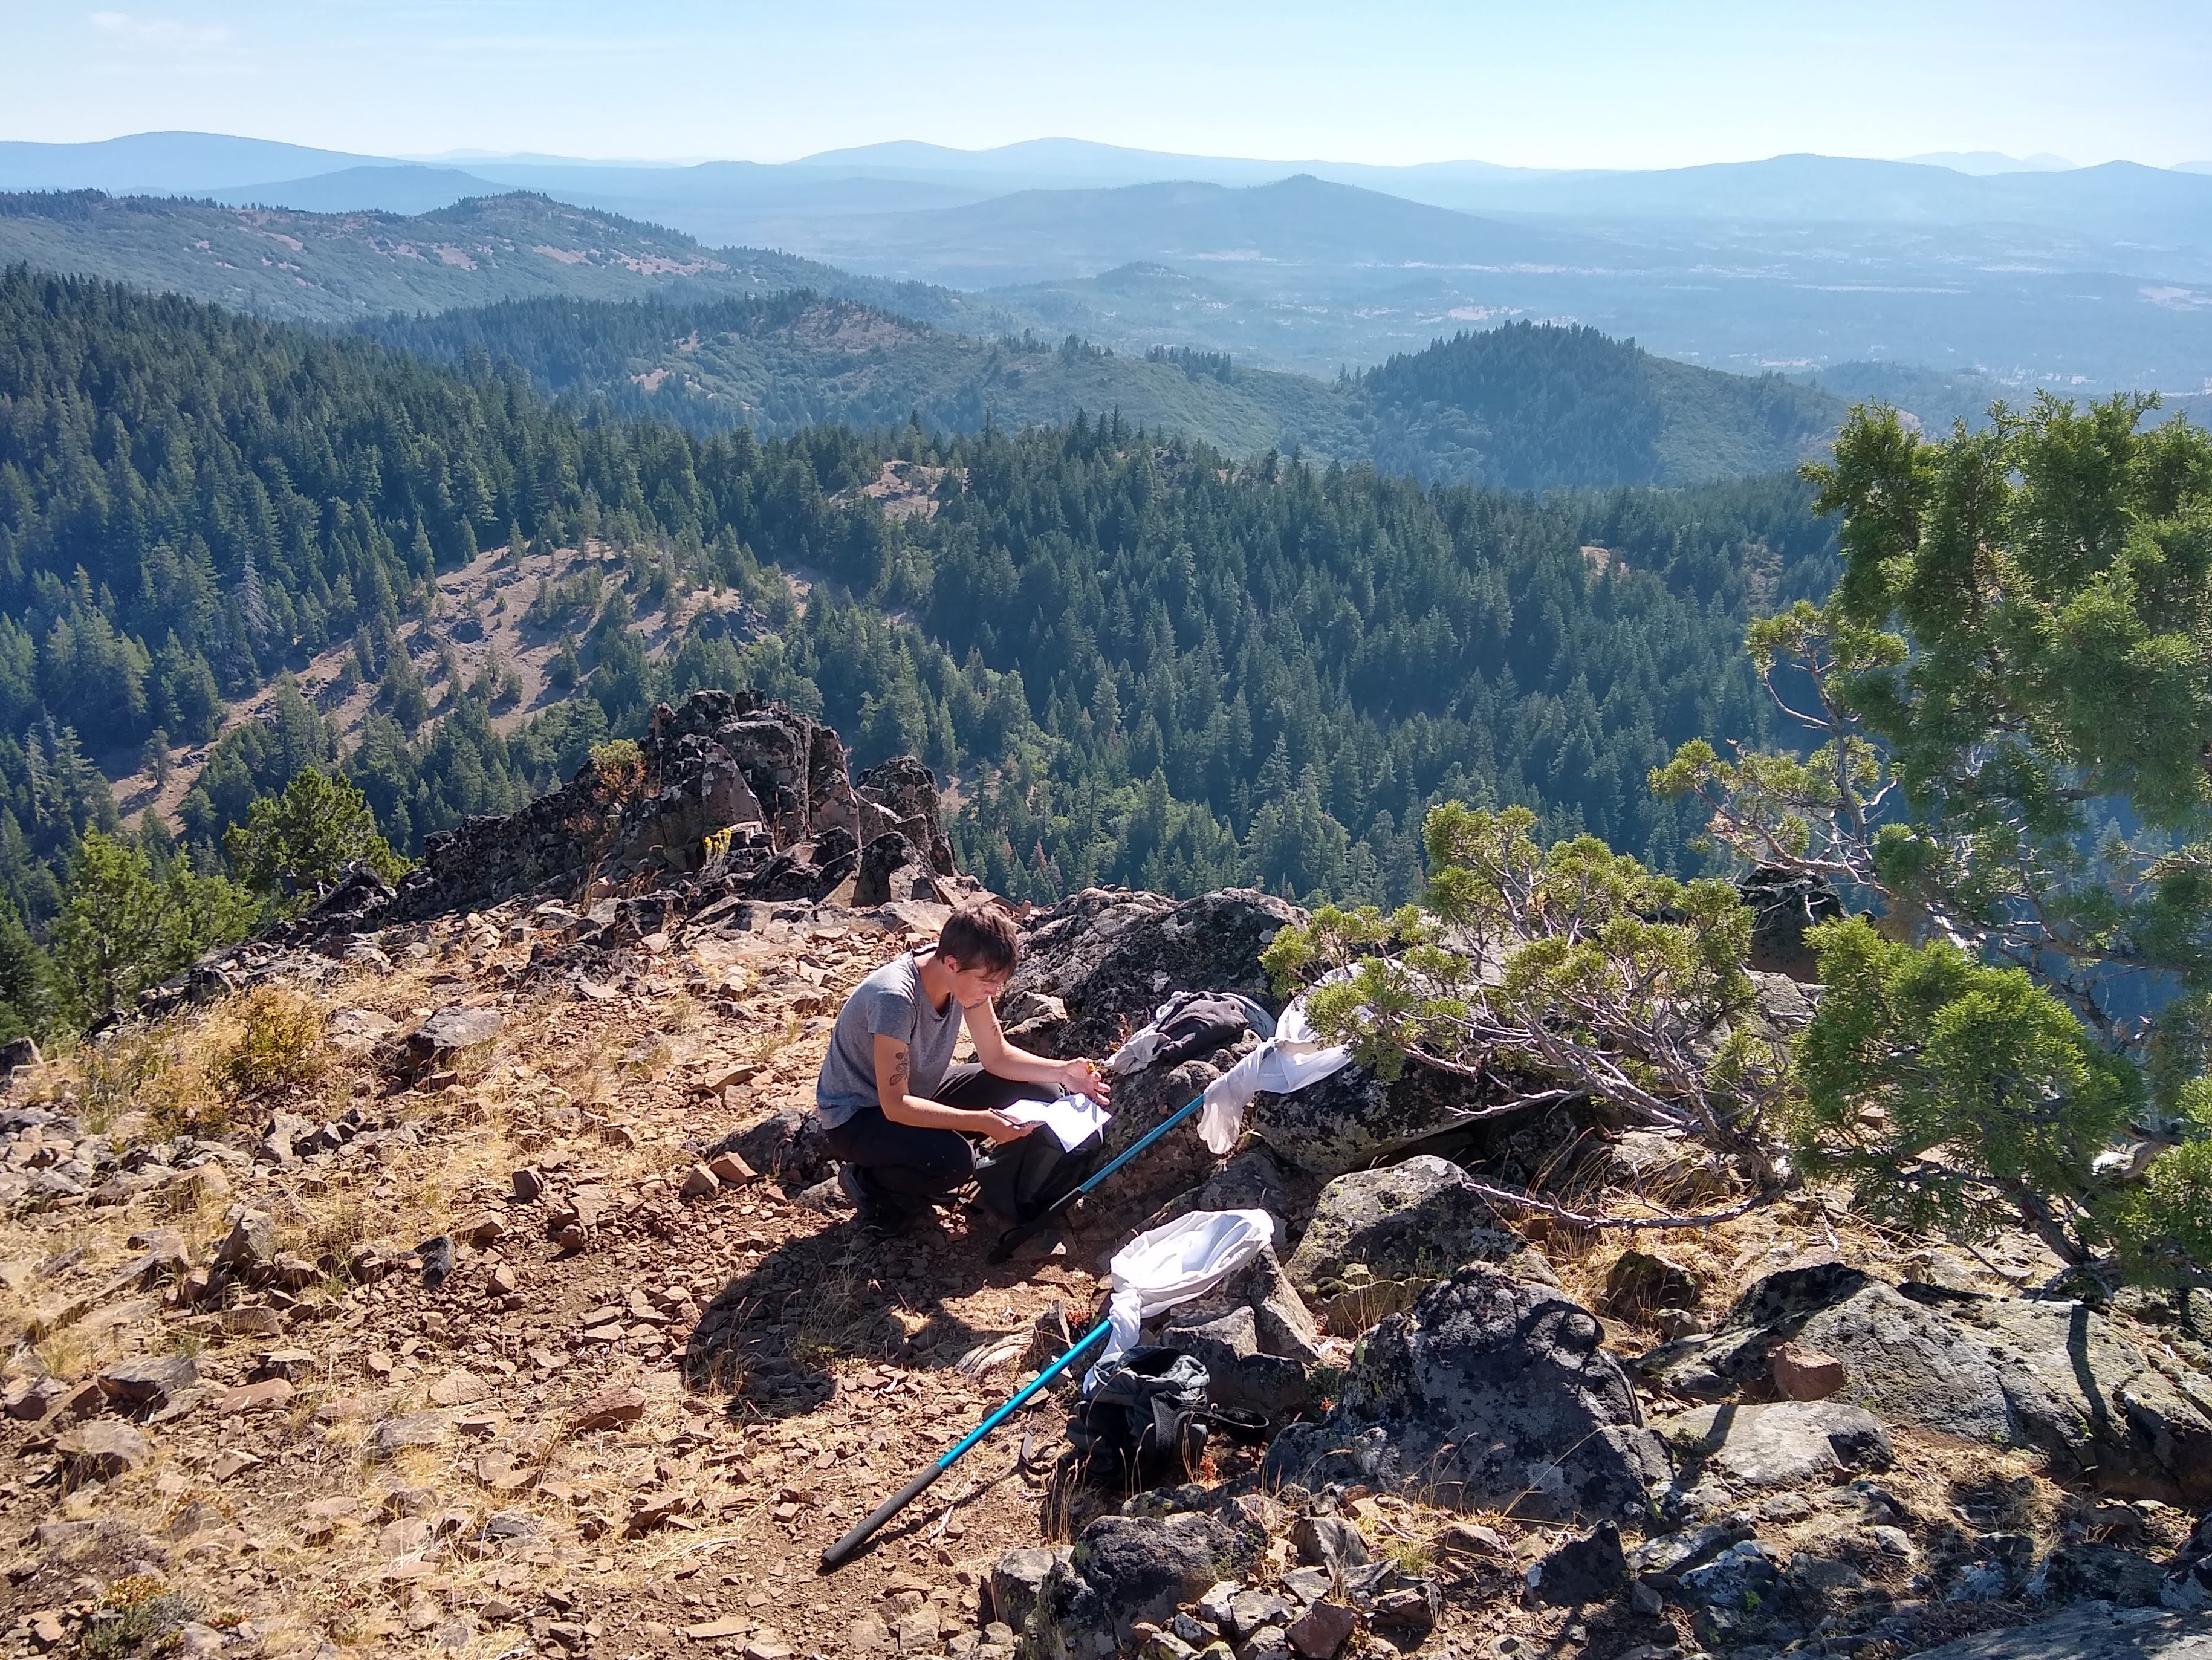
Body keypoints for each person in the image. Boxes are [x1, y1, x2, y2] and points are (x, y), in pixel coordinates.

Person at [814, 900, 1111, 1236]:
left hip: (918, 1088)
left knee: (1042, 1092)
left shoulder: (961, 974)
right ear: (952, 964)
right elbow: (895, 1105)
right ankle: (869, 1182)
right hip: (859, 1115)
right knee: (954, 1162)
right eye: (988, 983)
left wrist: (1063, 1072)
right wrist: (981, 1121)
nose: (994, 993)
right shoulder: (895, 999)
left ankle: (1002, 1182)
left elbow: (996, 1056)